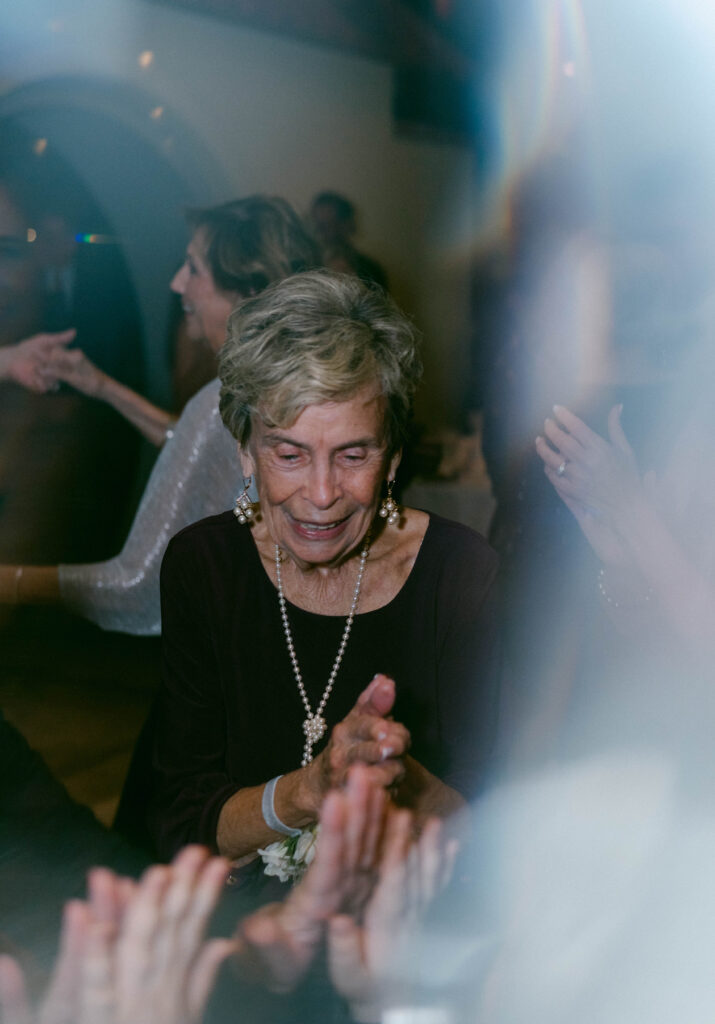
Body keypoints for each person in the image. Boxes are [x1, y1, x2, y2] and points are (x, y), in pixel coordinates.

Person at [149, 269, 500, 867]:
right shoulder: (203, 566)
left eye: (352, 454)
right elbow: (184, 820)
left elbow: (498, 832)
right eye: (288, 454)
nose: (320, 493)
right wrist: (311, 790)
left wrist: (397, 779)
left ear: (390, 457)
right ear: (245, 450)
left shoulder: (462, 575)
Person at [0, 197, 319, 634]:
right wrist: (103, 387)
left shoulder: (226, 399)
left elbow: (136, 589)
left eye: (192, 269)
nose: (175, 284)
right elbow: (199, 454)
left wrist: (10, 582)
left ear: (246, 293)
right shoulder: (288, 385)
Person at [309, 192, 388, 290]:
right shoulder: (306, 267)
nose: (328, 232)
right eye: (321, 226)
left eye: (333, 224)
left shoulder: (369, 269)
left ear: (347, 224)